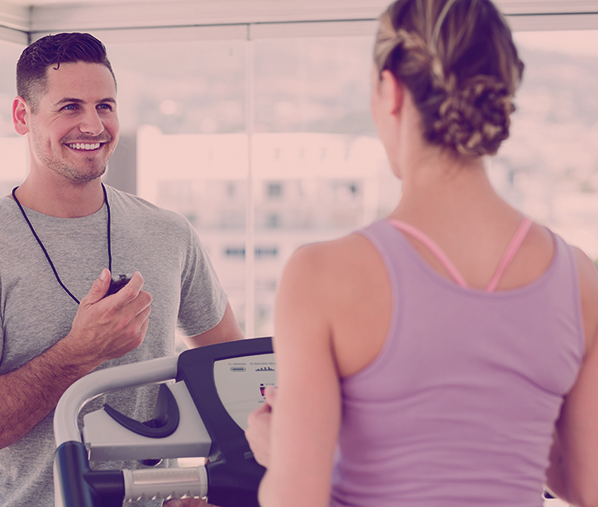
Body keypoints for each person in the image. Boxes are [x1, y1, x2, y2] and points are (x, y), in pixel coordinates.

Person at [245, 0, 598, 506]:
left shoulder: (322, 275)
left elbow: (298, 499)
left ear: (391, 91)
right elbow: (587, 486)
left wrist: (283, 454)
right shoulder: (577, 278)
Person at [0, 32, 242, 507]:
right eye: (69, 107)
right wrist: (77, 354)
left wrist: (209, 489)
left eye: (105, 105)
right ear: (23, 117)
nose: (93, 124)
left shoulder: (169, 234)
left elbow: (234, 375)